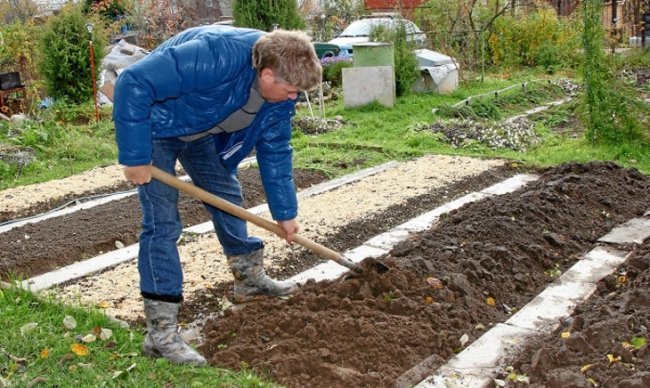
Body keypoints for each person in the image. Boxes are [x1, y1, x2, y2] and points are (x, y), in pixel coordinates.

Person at [113, 26, 322, 366]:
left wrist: (285, 213)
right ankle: (161, 334)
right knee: (163, 223)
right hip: (157, 128)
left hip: (199, 133)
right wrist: (135, 158)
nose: (292, 98)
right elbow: (132, 83)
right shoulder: (214, 55)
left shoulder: (280, 94)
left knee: (226, 195)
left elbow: (276, 148)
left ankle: (248, 279)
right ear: (267, 75)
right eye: (290, 90)